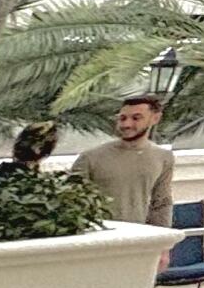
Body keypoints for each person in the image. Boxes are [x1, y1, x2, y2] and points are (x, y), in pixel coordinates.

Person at [73, 91, 176, 227]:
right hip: (97, 239)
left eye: (136, 118)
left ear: (155, 118)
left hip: (139, 240)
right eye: (122, 118)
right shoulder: (90, 158)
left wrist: (163, 241)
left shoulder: (163, 158)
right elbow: (72, 202)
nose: (126, 124)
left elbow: (162, 202)